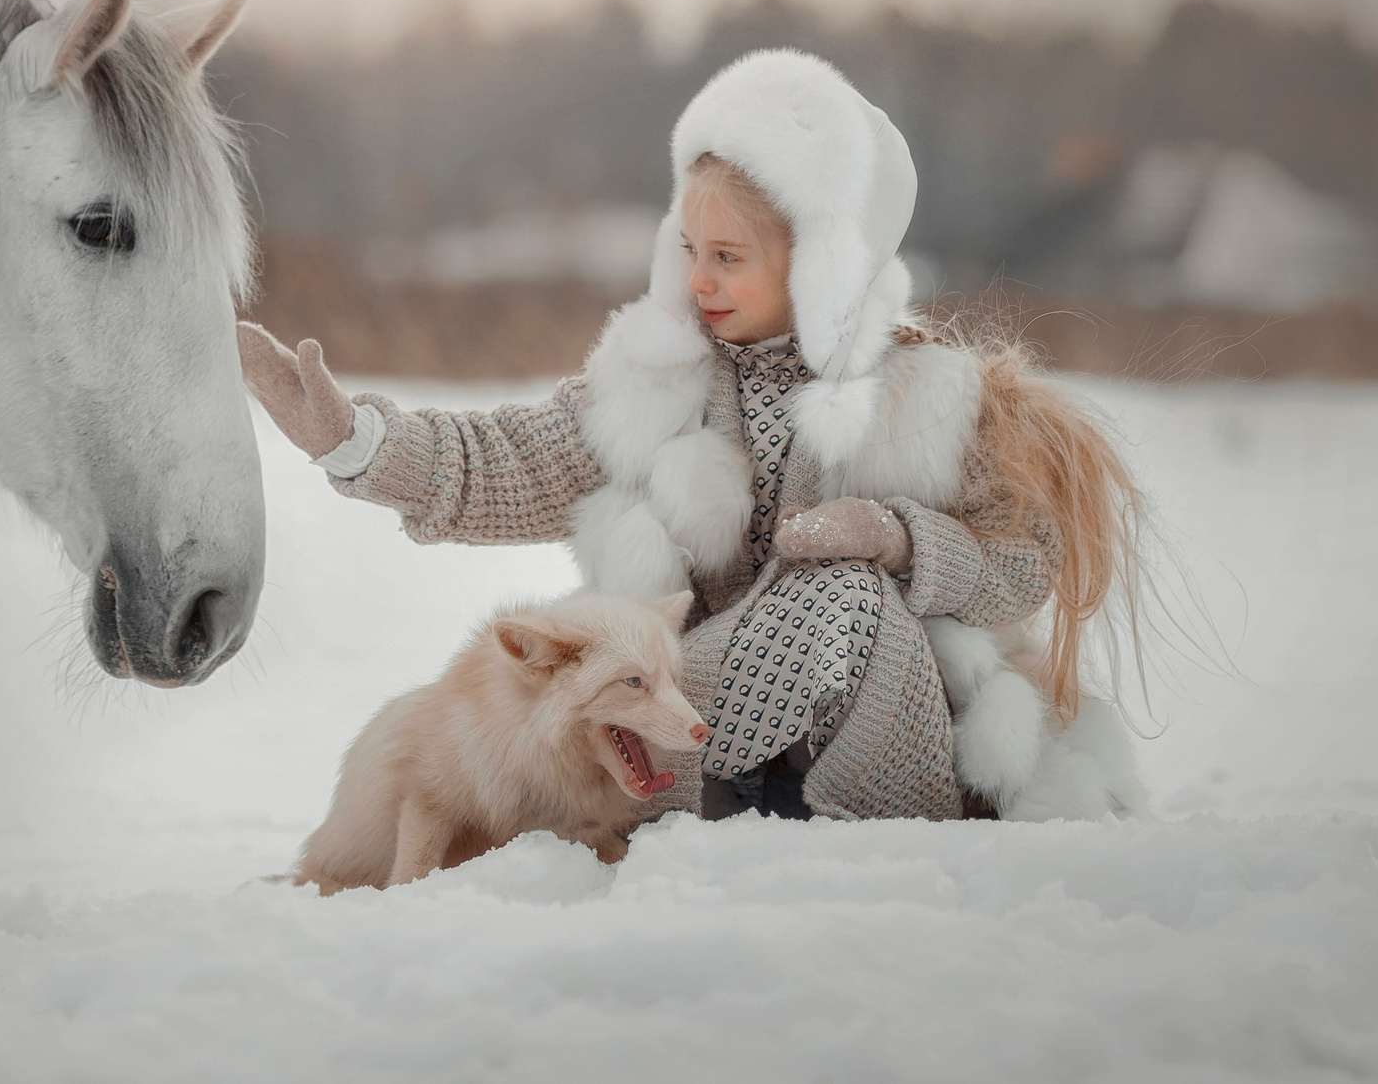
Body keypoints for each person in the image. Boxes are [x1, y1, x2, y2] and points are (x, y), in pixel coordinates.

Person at [241, 50, 1145, 822]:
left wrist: (903, 540)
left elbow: (1026, 558)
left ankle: (618, 783)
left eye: (730, 257)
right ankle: (550, 784)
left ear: (823, 267)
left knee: (844, 595)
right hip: (700, 760)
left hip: (882, 752)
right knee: (556, 677)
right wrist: (353, 439)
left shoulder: (931, 398)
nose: (700, 280)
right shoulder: (660, 383)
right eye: (689, 250)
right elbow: (508, 460)